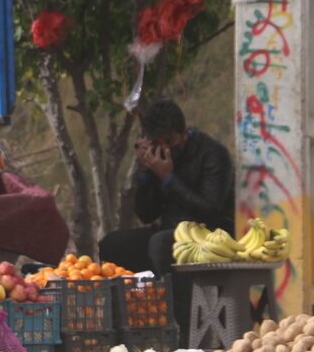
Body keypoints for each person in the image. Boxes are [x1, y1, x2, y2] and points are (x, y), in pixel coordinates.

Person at [99, 99, 235, 274]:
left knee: (160, 244)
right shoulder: (158, 157)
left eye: (170, 141)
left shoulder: (212, 154)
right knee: (113, 243)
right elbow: (146, 214)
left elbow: (209, 210)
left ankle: (175, 293)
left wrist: (168, 179)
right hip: (169, 229)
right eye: (158, 143)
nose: (166, 149)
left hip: (209, 234)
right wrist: (144, 173)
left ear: (184, 133)